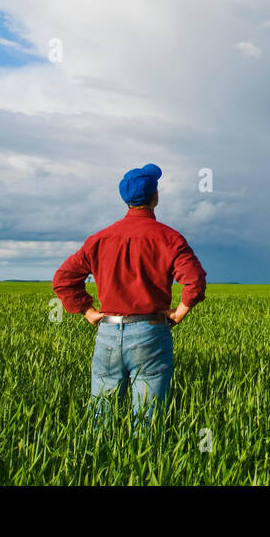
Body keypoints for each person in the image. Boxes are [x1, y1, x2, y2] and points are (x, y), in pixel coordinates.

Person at [52, 164, 206, 426]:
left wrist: (88, 312)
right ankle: (143, 465)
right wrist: (180, 311)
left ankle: (97, 463)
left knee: (101, 420)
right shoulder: (169, 238)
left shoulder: (101, 238)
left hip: (107, 334)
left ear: (125, 199)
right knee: (149, 420)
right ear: (155, 196)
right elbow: (195, 281)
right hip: (151, 332)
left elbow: (63, 280)